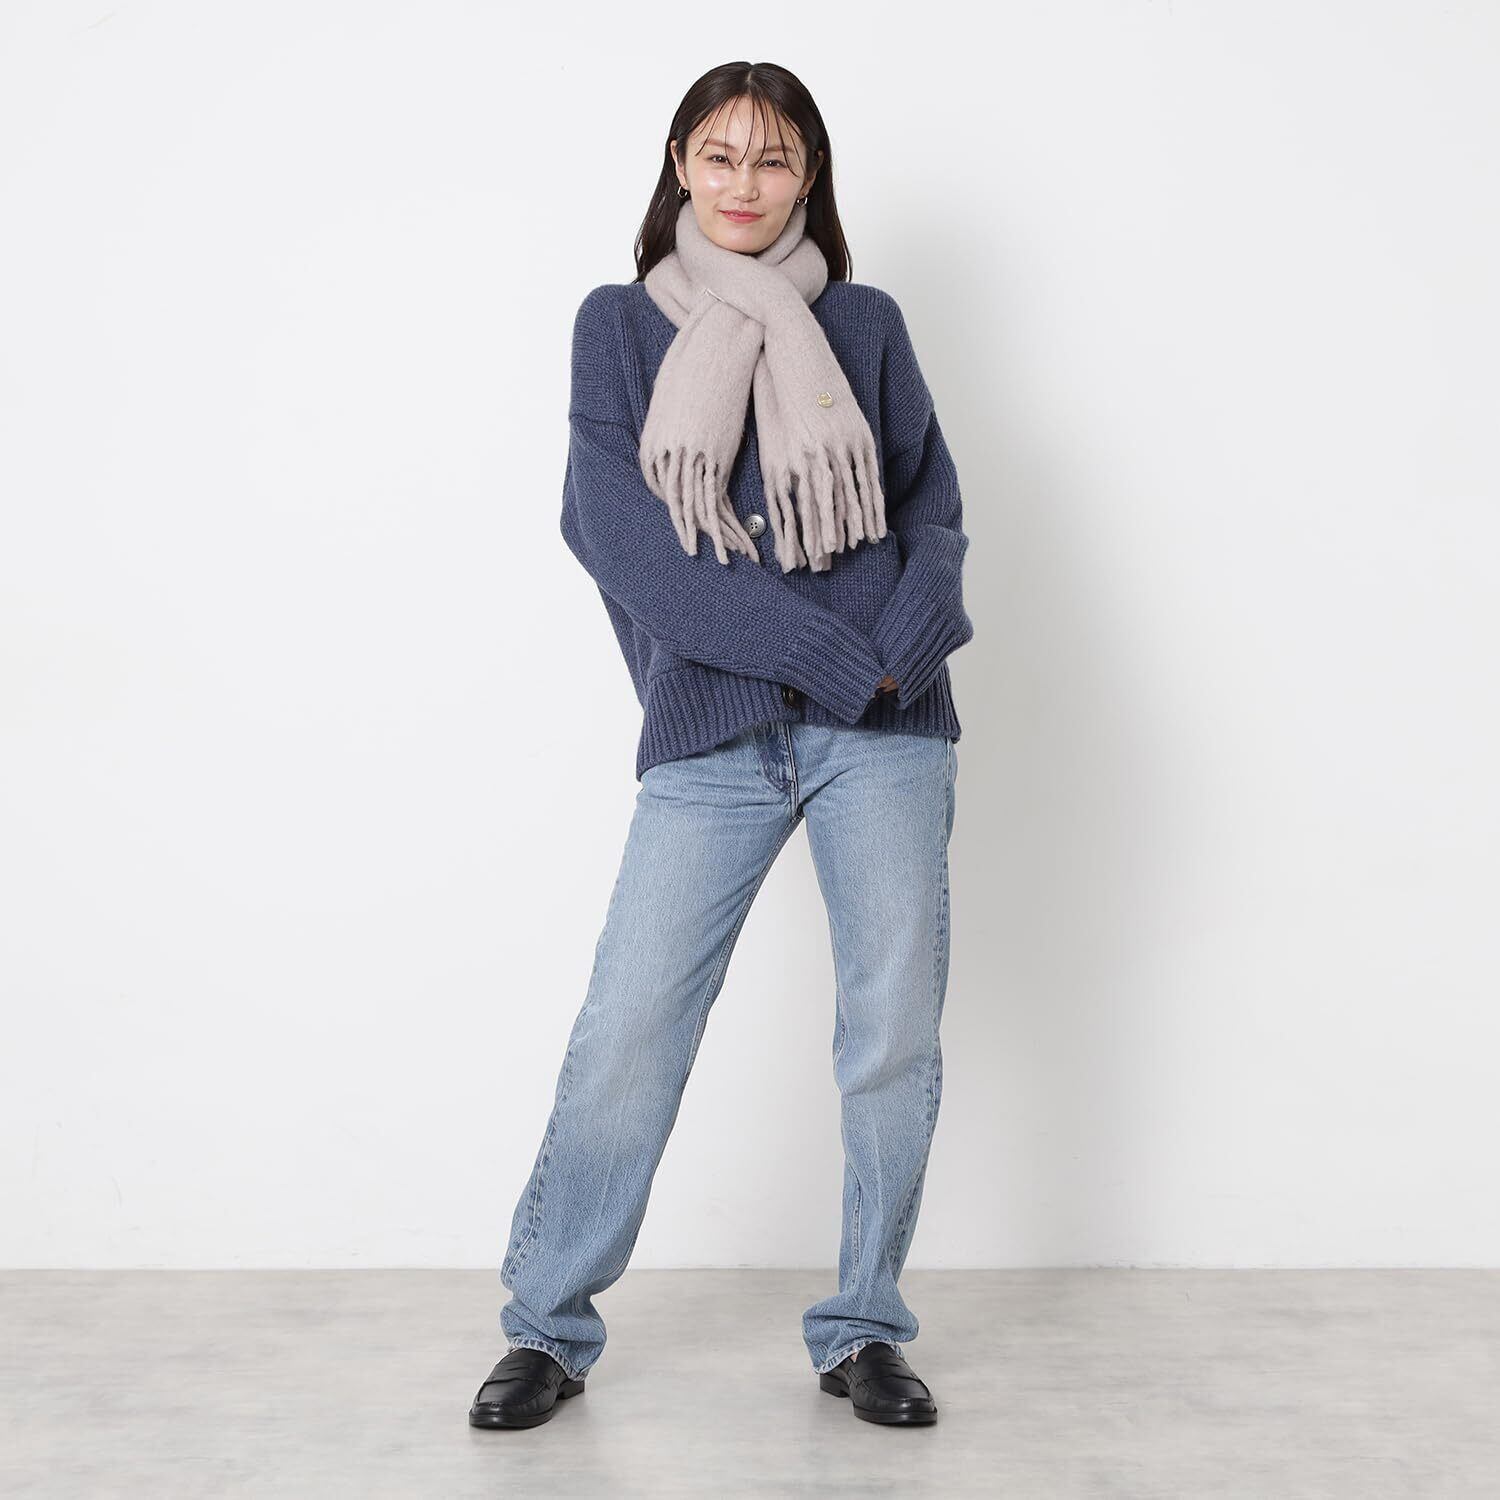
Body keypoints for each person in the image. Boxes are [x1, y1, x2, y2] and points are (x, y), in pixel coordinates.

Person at [470, 60, 973, 1431]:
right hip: (714, 734)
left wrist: (899, 651)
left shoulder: (863, 322)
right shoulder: (618, 326)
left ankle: (863, 1327)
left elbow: (930, 508)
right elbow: (620, 538)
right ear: (680, 167)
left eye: (775, 157)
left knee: (890, 1036)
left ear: (810, 175)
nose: (746, 183)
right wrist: (823, 653)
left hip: (885, 731)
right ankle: (549, 1327)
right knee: (631, 1027)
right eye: (720, 154)